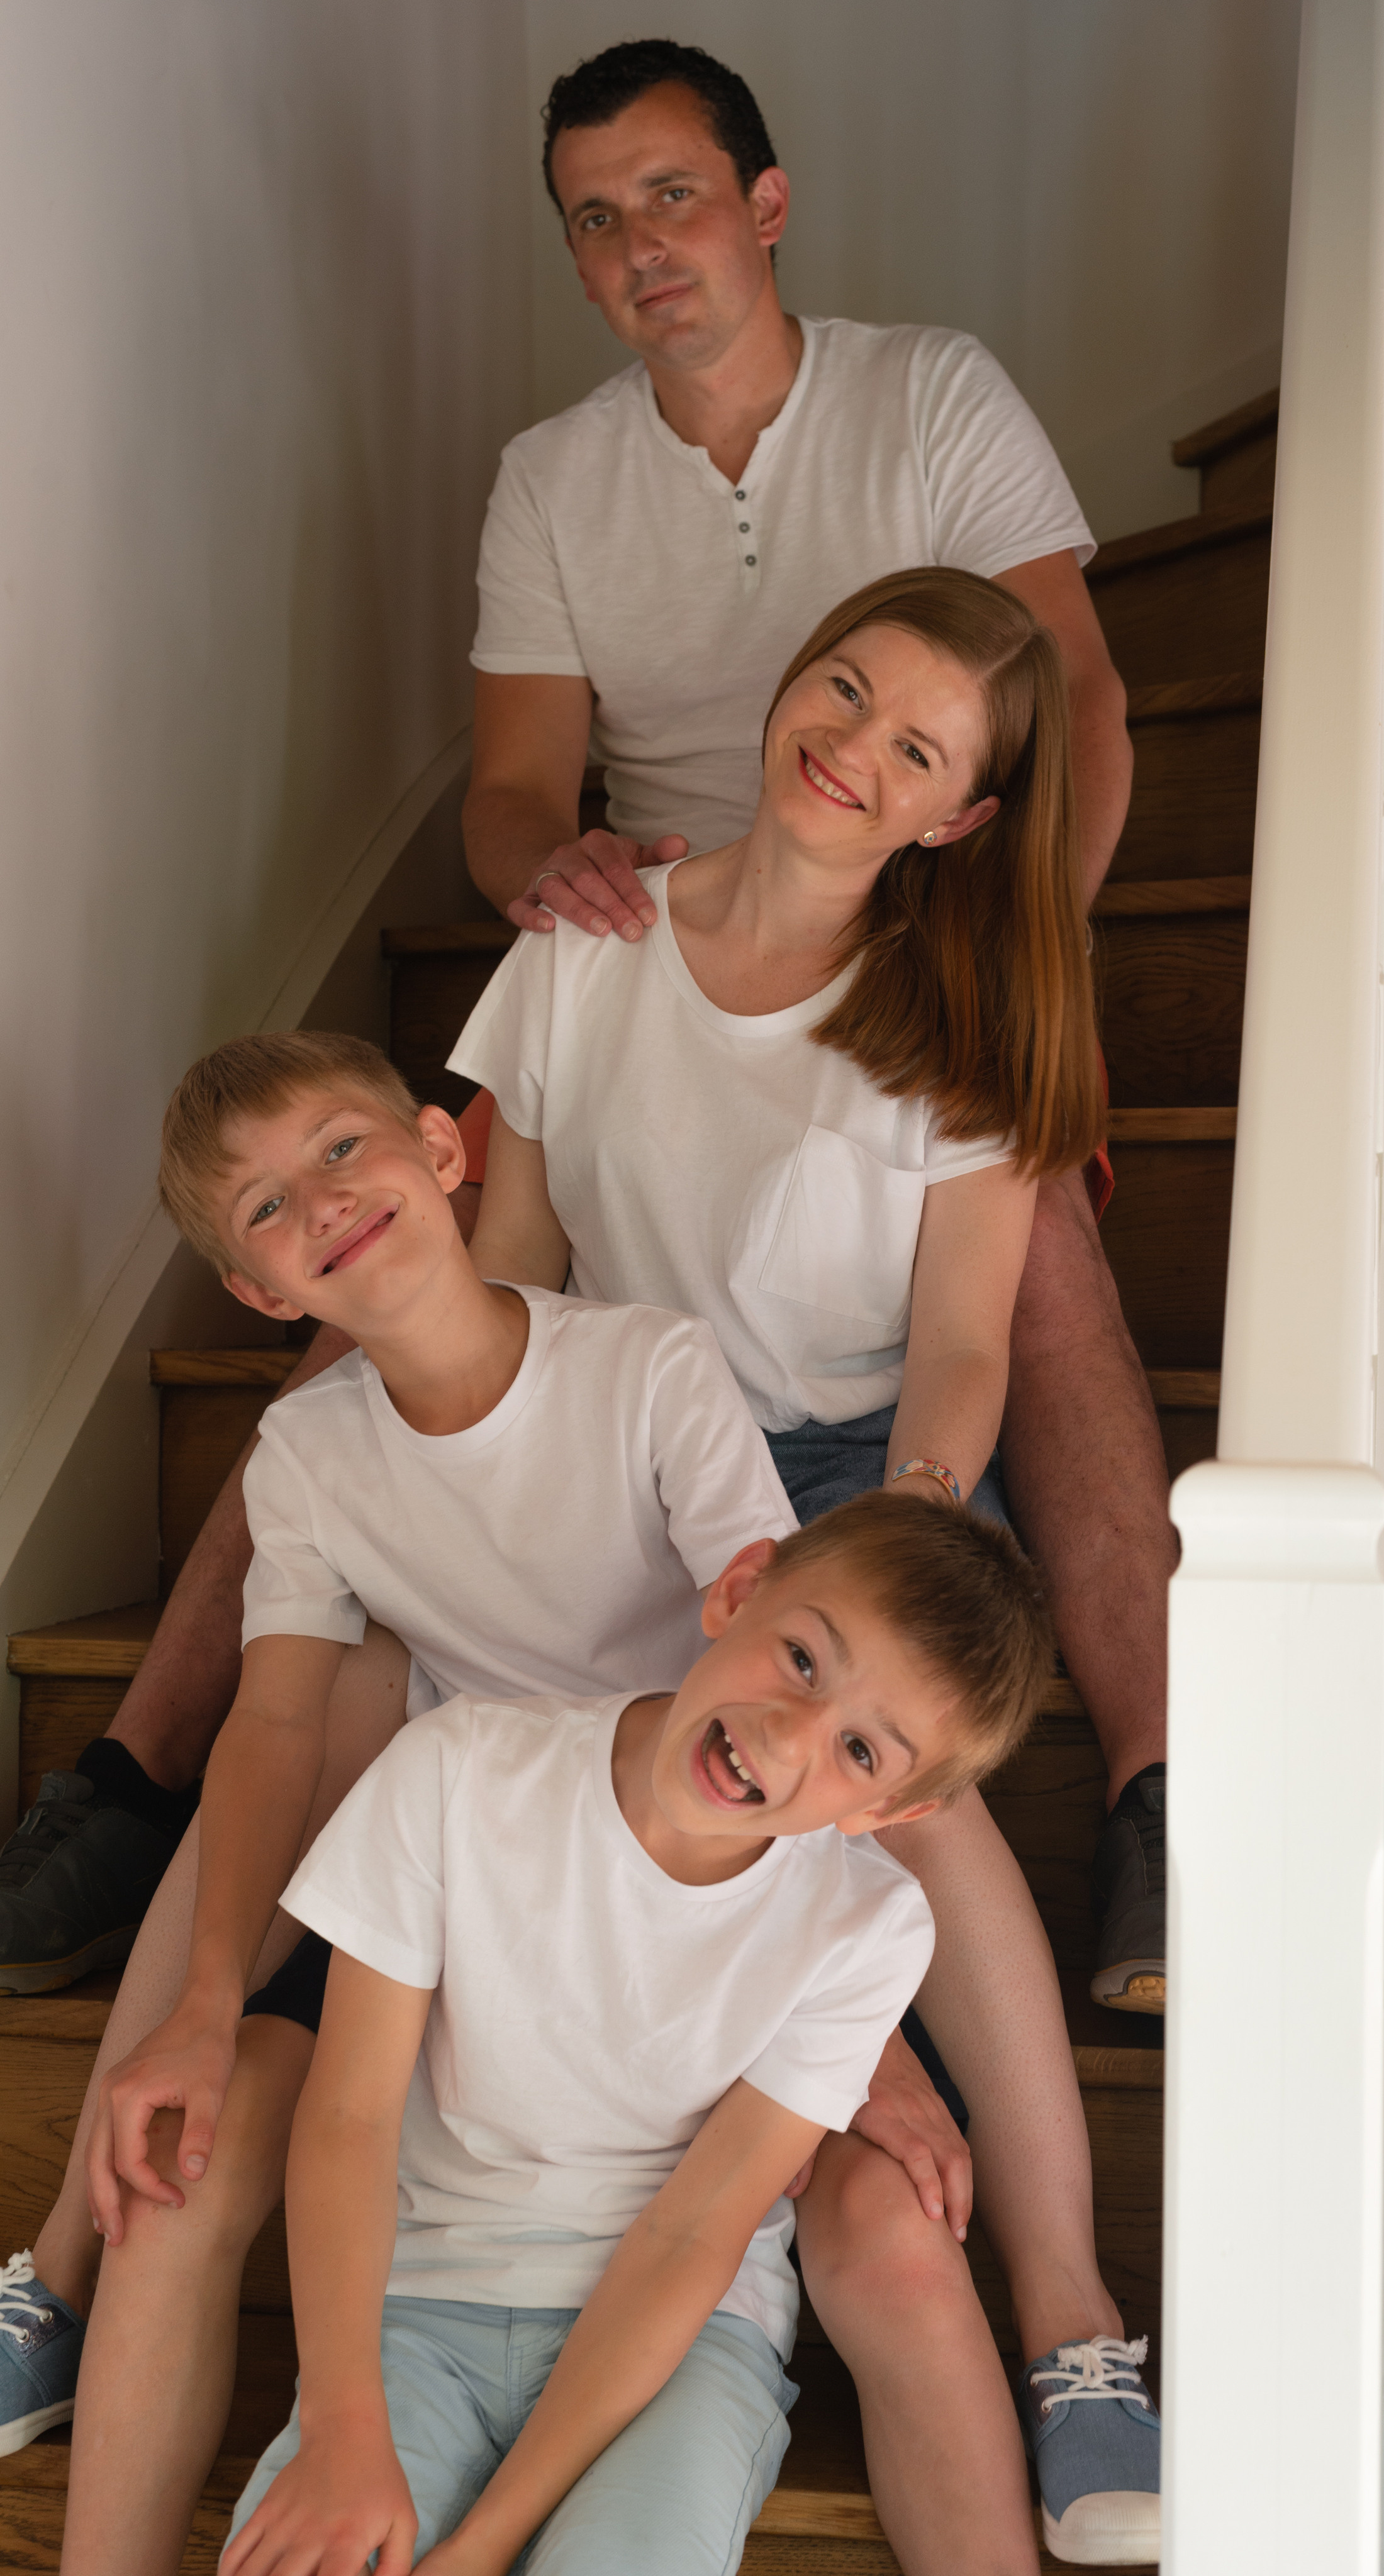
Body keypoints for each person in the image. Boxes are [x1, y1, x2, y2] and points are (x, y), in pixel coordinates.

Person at [0, 37, 1164, 2026]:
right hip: (652, 938)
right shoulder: (556, 479)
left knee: (1023, 1225)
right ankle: (133, 1770)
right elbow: (514, 791)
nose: (641, 243)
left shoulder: (931, 395)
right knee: (396, 1287)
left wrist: (1007, 985)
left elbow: (1072, 704)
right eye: (595, 218)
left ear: (765, 203)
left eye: (675, 194)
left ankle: (1151, 1786)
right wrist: (567, 884)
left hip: (914, 956)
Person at [453, 564, 1161, 2568]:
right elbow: (512, 1261)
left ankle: (1070, 2323)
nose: (853, 748)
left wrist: (896, 1537)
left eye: (917, 748)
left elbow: (960, 1345)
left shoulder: (966, 1002)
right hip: (629, 1445)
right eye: (846, 689)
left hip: (870, 1466)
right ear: (792, 677)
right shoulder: (589, 942)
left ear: (959, 817)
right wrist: (524, 1492)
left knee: (913, 1817)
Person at [11, 1028, 811, 2557]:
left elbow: (781, 1668)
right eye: (260, 1208)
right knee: (187, 2150)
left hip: (680, 1858)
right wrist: (200, 1996)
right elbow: (270, 1730)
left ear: (448, 1152)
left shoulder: (647, 1364)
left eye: (338, 1147)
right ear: (265, 1296)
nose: (316, 1200)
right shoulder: (302, 1449)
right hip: (452, 1876)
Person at [220, 1492, 1053, 2576]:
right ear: (741, 1589)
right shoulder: (458, 1768)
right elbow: (346, 2120)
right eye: (803, 1659)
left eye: (859, 1750)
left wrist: (484, 2546)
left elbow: (689, 2237)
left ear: (887, 1814)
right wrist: (342, 2425)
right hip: (418, 2307)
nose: (790, 1735)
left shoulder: (869, 1930)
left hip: (685, 2342)